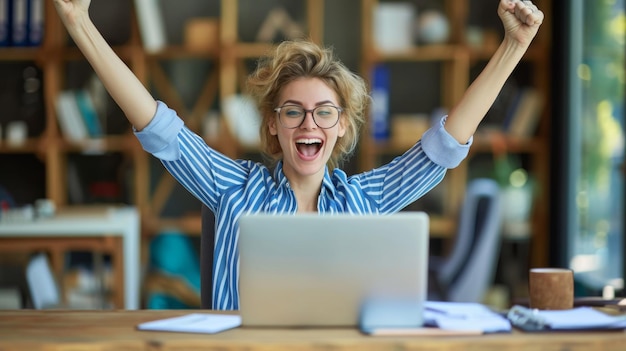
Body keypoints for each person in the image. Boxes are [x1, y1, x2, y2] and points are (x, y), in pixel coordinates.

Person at [52, 0, 544, 310]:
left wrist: (513, 47)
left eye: (325, 112)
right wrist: (80, 24)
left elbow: (444, 147)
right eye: (293, 111)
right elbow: (158, 127)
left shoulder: (365, 199)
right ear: (273, 124)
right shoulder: (232, 185)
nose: (310, 123)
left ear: (342, 126)